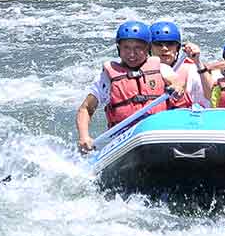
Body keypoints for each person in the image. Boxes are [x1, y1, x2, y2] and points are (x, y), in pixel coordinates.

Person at [76, 21, 185, 152]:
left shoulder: (162, 68)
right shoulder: (106, 77)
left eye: (138, 48)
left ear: (147, 48)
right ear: (118, 49)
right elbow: (86, 109)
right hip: (122, 140)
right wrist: (84, 136)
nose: (132, 54)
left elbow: (176, 81)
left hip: (156, 135)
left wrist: (177, 87)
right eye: (126, 47)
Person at [149, 21, 209, 108]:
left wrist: (198, 62)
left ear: (177, 48)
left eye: (170, 44)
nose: (164, 48)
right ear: (150, 48)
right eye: (158, 44)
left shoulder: (191, 71)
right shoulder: (141, 69)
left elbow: (208, 101)